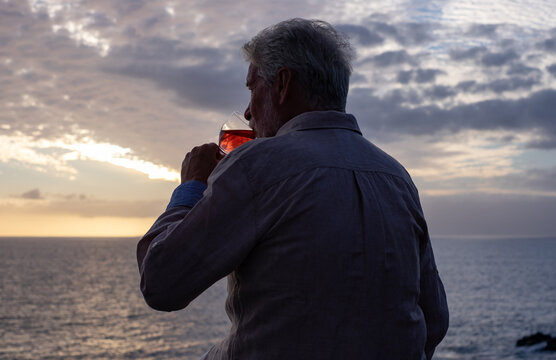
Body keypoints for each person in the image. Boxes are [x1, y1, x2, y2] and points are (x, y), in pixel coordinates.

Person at [137, 18, 449, 360]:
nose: (247, 111)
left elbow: (162, 284)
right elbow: (433, 320)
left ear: (282, 84)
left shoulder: (258, 164)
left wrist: (192, 185)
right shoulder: (396, 177)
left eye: (252, 88)